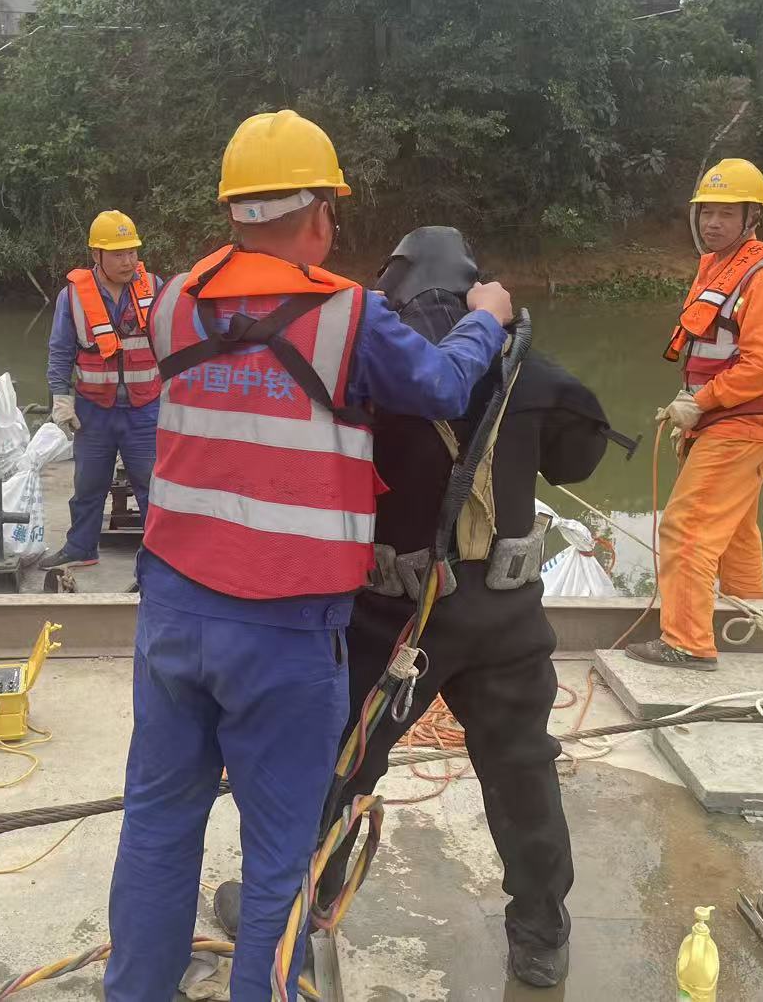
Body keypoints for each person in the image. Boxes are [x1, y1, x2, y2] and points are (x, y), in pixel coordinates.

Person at [103, 112, 514, 1002]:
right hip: (285, 633)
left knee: (157, 824)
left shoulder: (170, 301)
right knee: (280, 853)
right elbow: (445, 385)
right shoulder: (348, 317)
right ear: (323, 214)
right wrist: (486, 318)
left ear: (233, 209)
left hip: (172, 615)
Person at [214, 226, 618, 990]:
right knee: (522, 768)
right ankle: (540, 934)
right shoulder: (530, 369)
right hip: (505, 620)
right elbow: (581, 456)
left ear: (391, 293)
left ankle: (303, 904)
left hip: (393, 622)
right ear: (477, 290)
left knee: (338, 762)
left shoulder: (374, 370)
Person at [627, 158, 763, 671]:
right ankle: (750, 627)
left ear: (751, 217)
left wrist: (700, 402)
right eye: (707, 212)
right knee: (736, 531)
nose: (713, 223)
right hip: (726, 422)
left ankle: (687, 643)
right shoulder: (719, 268)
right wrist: (694, 406)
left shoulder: (762, 279)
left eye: (726, 213)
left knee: (686, 528)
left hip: (741, 425)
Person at [41, 210, 162, 570]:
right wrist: (61, 399)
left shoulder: (155, 287)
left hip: (145, 408)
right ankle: (81, 547)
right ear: (96, 254)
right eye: (118, 254)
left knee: (153, 486)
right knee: (88, 485)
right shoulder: (73, 297)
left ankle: (159, 557)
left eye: (132, 252)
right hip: (94, 410)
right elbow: (61, 351)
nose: (128, 262)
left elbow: (175, 343)